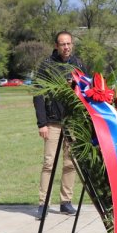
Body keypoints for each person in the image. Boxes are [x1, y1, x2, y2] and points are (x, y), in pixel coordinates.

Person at [33, 31, 86, 217]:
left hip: (72, 122)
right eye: (63, 44)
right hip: (53, 122)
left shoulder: (78, 64)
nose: (66, 47)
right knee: (49, 163)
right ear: (56, 46)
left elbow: (86, 92)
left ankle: (66, 202)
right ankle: (43, 204)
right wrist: (42, 123)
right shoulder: (47, 66)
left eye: (69, 44)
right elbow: (38, 95)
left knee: (70, 163)